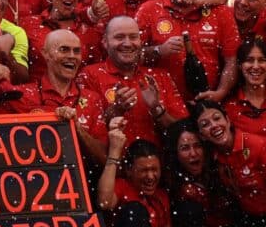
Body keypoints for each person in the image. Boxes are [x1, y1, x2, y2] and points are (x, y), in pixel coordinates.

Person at [0, 29, 108, 163]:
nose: (72, 56)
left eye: (77, 51)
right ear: (45, 54)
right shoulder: (22, 95)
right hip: (34, 178)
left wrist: (77, 129)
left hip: (80, 181)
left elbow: (104, 158)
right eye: (64, 50)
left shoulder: (92, 99)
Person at [136, 0, 239, 102]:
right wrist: (159, 51)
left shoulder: (219, 10)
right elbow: (133, 56)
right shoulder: (148, 11)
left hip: (211, 106)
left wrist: (221, 92)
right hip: (166, 108)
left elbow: (232, 60)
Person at [79, 15, 186, 146]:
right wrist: (116, 110)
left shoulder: (160, 76)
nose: (128, 43)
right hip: (111, 163)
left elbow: (183, 133)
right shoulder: (90, 75)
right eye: (119, 37)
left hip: (157, 164)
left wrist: (156, 109)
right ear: (105, 42)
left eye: (133, 37)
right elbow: (85, 132)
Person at [22, 0, 104, 80]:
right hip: (37, 94)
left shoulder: (89, 33)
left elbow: (96, 73)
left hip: (76, 95)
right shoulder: (29, 25)